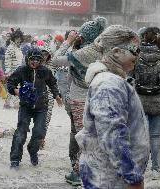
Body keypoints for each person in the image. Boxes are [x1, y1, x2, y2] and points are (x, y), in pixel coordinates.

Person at [75, 25, 149, 189]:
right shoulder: (109, 84)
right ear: (116, 51)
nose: (138, 55)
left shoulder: (114, 80)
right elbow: (112, 135)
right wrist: (132, 176)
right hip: (108, 177)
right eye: (135, 50)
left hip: (109, 173)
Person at [52, 17, 107, 186]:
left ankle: (78, 172)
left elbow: (55, 60)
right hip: (101, 99)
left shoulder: (82, 53)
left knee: (84, 138)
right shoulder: (106, 52)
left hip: (80, 100)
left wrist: (67, 41)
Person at [7, 47, 62, 168]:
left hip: (41, 106)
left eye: (38, 60)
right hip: (25, 106)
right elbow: (10, 83)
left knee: (39, 131)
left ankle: (32, 150)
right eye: (33, 59)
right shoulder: (21, 70)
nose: (35, 62)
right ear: (27, 59)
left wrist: (56, 94)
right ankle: (15, 159)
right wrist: (16, 91)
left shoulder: (45, 71)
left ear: (41, 61)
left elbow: (52, 83)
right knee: (21, 132)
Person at [132, 27, 160, 179]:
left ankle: (138, 166)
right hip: (159, 99)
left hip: (139, 100)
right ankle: (155, 169)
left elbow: (130, 75)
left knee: (139, 136)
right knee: (156, 136)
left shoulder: (136, 54)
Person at [4, 28, 24, 109]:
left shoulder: (18, 47)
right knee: (15, 86)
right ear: (14, 38)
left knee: (14, 86)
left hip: (18, 70)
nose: (18, 41)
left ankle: (8, 103)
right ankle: (15, 103)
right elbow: (7, 60)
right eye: (17, 39)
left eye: (19, 40)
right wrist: (8, 71)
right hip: (12, 71)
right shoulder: (11, 48)